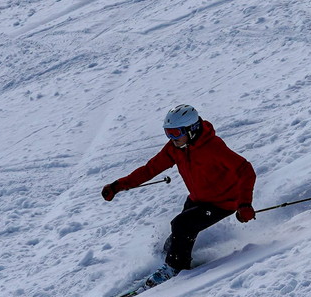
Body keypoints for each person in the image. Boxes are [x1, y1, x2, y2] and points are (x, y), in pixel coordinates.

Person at [101, 104, 257, 281]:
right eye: (168, 133)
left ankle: (175, 270)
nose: (172, 138)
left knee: (181, 225)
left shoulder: (213, 147)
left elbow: (246, 169)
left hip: (224, 202)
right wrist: (117, 186)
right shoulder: (174, 148)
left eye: (176, 133)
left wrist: (245, 204)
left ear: (192, 129)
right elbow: (149, 169)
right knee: (174, 241)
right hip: (198, 200)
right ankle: (168, 260)